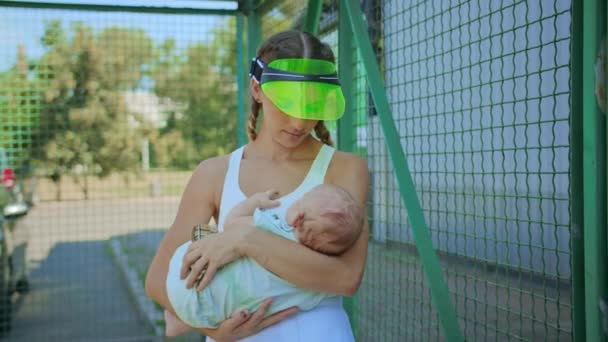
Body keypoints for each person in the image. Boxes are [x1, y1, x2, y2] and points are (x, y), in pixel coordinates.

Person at [145, 30, 369, 341]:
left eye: (311, 105)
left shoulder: (346, 168)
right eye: (287, 104)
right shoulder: (214, 173)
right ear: (257, 89)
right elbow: (157, 279)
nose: (299, 122)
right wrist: (214, 331)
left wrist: (246, 238)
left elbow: (345, 277)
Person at [164, 184, 364, 336]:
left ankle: (177, 317)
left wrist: (255, 203)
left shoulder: (271, 227)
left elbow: (233, 222)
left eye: (302, 201)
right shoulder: (314, 288)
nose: (295, 216)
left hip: (189, 276)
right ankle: (182, 318)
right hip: (212, 314)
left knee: (209, 238)